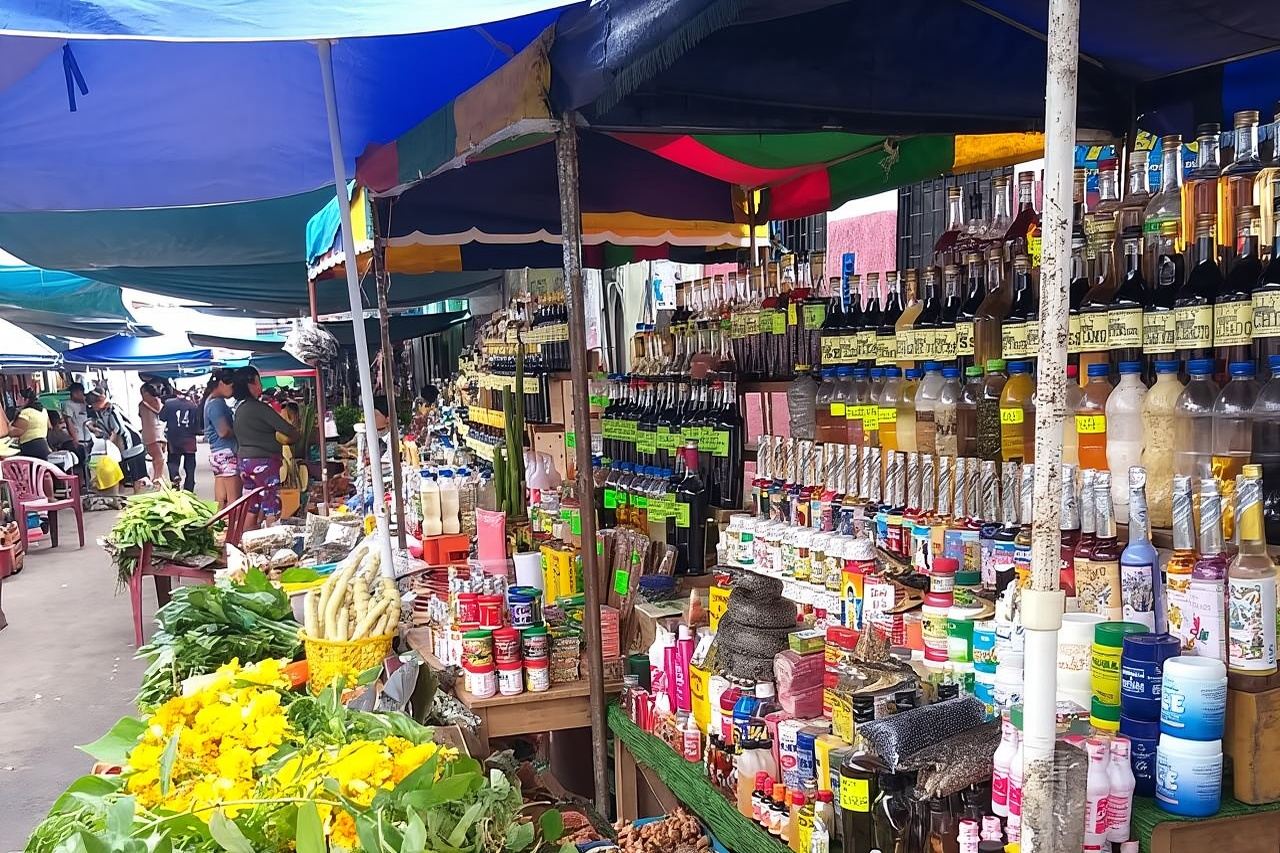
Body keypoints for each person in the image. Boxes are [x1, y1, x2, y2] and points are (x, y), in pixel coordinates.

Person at [232, 367, 299, 527]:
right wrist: (297, 435)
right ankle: (271, 545)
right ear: (250, 384)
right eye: (258, 381)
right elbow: (287, 429)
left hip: (244, 463)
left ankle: (247, 540)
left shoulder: (239, 408)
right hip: (264, 464)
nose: (260, 386)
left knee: (252, 506)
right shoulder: (259, 408)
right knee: (271, 506)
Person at [87, 391, 149, 492]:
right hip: (120, 449)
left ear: (100, 401)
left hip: (131, 444)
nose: (92, 407)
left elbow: (117, 430)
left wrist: (109, 448)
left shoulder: (113, 410)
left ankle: (137, 497)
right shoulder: (100, 412)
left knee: (137, 476)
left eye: (93, 404)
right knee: (121, 476)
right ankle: (120, 498)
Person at [203, 370, 241, 509]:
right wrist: (240, 431)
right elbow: (223, 431)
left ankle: (221, 526)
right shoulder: (217, 403)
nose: (233, 391)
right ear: (221, 383)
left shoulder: (210, 401)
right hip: (227, 454)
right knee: (233, 499)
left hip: (217, 454)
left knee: (220, 500)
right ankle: (233, 527)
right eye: (232, 386)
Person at [159, 389, 199, 491]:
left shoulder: (169, 403)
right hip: (189, 438)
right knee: (190, 464)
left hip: (174, 438)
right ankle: (189, 487)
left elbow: (162, 417)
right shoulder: (192, 405)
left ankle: (175, 476)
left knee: (173, 461)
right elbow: (197, 423)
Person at [8, 389, 53, 460]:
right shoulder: (43, 410)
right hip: (44, 445)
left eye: (19, 398)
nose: (17, 401)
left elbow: (17, 431)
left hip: (30, 447)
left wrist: (9, 426)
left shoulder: (26, 412)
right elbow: (49, 426)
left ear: (26, 400)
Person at [138, 382, 167, 485]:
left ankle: (157, 477)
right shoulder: (146, 403)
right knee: (159, 457)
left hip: (153, 433)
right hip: (154, 433)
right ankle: (157, 478)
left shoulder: (148, 402)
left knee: (158, 457)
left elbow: (159, 411)